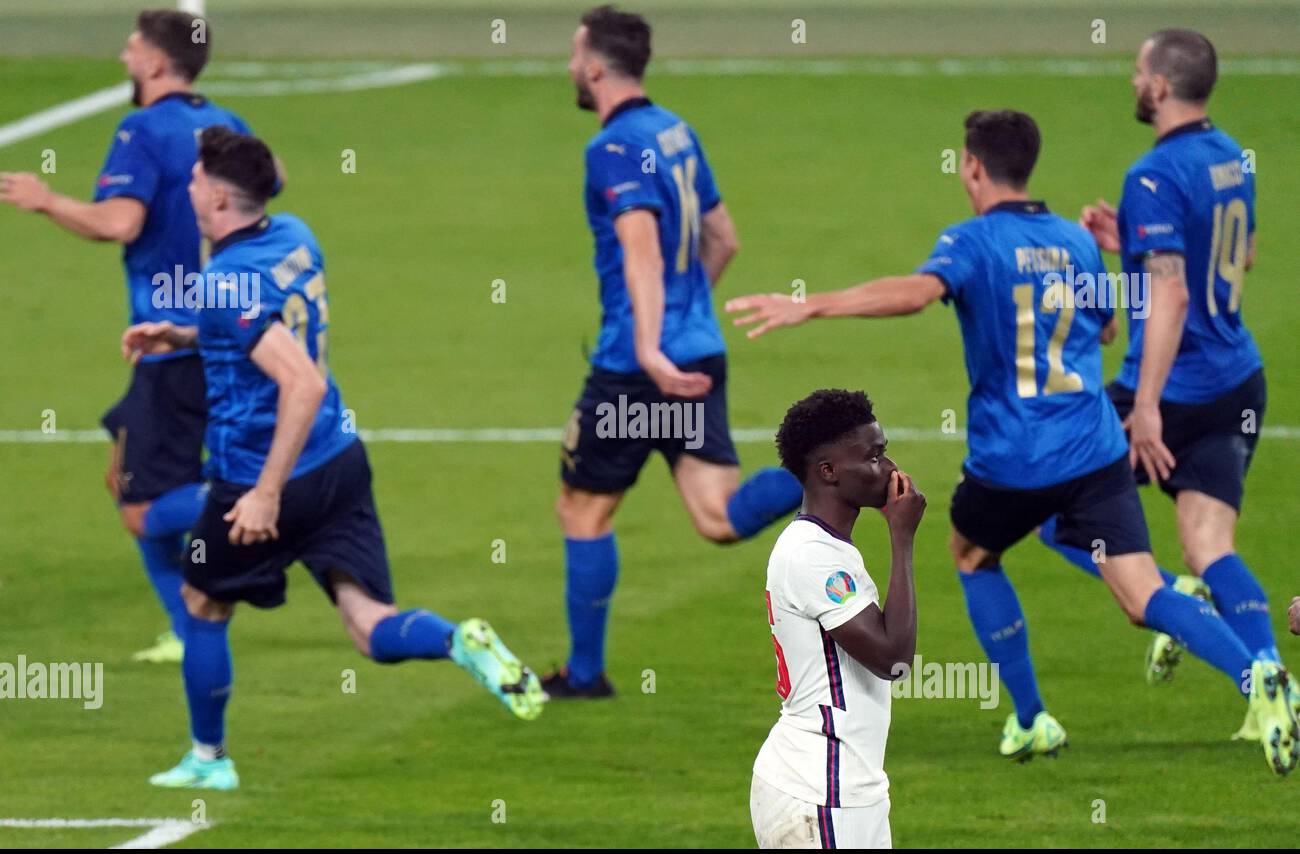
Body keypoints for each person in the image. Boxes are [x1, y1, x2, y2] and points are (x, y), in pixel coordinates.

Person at [727, 109, 1297, 775]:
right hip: (1095, 449)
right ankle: (1257, 675)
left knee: (972, 555)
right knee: (1143, 591)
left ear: (972, 166)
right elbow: (1107, 330)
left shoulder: (971, 241)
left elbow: (916, 294)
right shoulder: (1076, 241)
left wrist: (813, 304)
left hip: (1014, 456)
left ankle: (1032, 719)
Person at [120, 127, 543, 790]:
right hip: (339, 460)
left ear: (222, 199)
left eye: (197, 180)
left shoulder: (225, 280)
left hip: (260, 473)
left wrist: (264, 494)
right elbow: (262, 330)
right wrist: (179, 334)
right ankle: (456, 640)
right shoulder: (294, 233)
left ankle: (209, 759)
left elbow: (301, 383)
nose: (189, 188)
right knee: (368, 624)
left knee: (202, 603)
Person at [545, 5, 802, 699]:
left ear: (594, 67)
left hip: (638, 368)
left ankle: (586, 675)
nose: (569, 66)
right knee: (719, 517)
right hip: (698, 352)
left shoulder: (613, 148)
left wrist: (650, 346)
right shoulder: (675, 131)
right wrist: (686, 319)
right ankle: (824, 473)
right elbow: (724, 239)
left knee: (583, 509)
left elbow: (642, 251)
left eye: (574, 55)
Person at [1040, 30, 1281, 741]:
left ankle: (1173, 599)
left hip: (1171, 388)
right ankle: (1271, 685)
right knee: (1210, 544)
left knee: (1049, 504)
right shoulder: (1232, 156)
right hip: (1237, 381)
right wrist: (1137, 243)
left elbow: (1170, 295)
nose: (1133, 80)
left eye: (1139, 71)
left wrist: (1145, 405)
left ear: (1163, 85)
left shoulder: (1153, 173)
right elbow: (1242, 251)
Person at [0, 9, 253, 664]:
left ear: (156, 62)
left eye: (133, 47)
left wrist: (46, 200)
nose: (123, 56)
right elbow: (273, 178)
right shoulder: (226, 122)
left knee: (141, 504)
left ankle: (259, 501)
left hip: (169, 344)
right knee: (133, 484)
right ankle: (192, 623)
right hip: (230, 334)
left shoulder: (141, 130)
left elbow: (119, 222)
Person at [751, 390, 924, 849]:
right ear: (828, 471)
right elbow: (893, 660)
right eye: (874, 457)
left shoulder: (824, 546)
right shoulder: (813, 556)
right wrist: (902, 538)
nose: (890, 469)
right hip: (820, 791)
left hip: (843, 788)